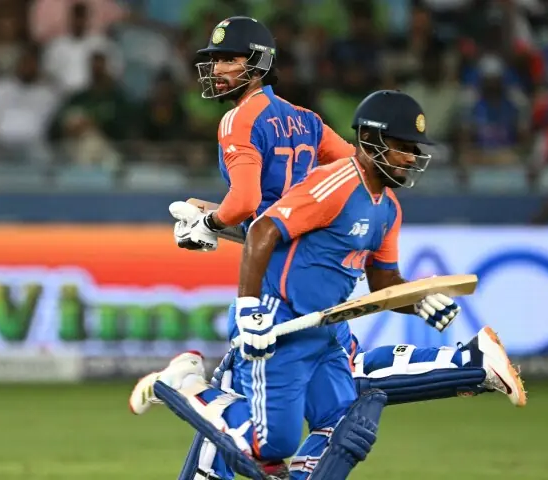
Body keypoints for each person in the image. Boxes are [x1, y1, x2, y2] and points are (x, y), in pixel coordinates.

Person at [130, 88, 526, 480]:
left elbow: (384, 282)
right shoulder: (334, 183)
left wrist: (419, 299)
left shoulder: (388, 209)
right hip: (279, 321)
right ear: (369, 139)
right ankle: (184, 383)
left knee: (345, 423)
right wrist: (250, 308)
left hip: (324, 330)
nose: (411, 157)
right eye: (403, 147)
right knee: (271, 446)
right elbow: (263, 230)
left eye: (414, 149)